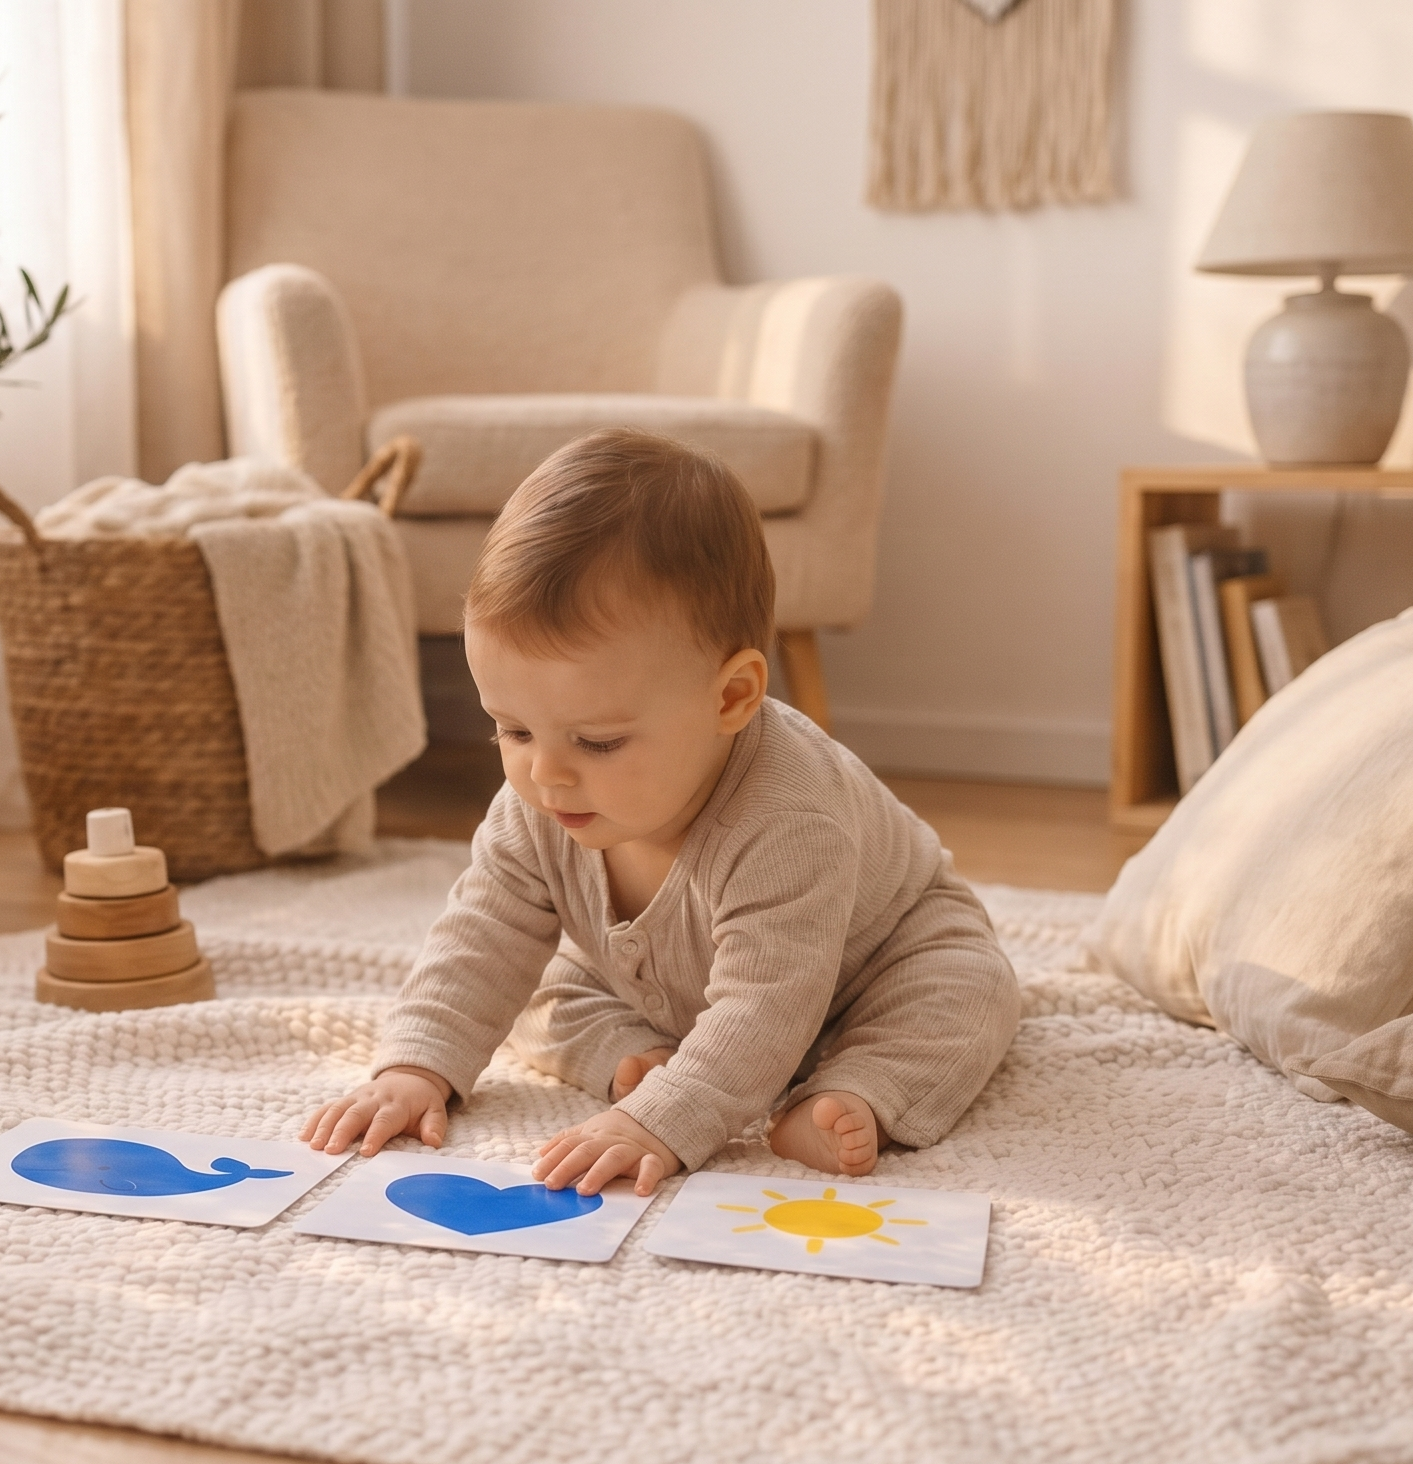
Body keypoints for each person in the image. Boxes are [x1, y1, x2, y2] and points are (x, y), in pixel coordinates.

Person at [300, 427, 1020, 1196]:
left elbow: (765, 1005)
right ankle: (633, 1055)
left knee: (970, 992)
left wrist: (661, 1121)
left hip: (871, 970)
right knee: (536, 994)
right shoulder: (537, 803)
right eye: (511, 729)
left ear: (732, 697)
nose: (545, 774)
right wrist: (416, 1065)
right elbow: (479, 939)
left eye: (598, 740)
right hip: (665, 990)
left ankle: (857, 1087)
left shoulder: (788, 819)